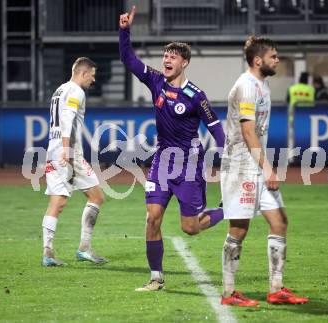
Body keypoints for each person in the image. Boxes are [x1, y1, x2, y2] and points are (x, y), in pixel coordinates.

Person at [119, 6, 226, 291]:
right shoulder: (156, 81)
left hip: (189, 166)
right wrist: (124, 31)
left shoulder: (196, 96)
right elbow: (128, 60)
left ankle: (226, 210)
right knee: (152, 218)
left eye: (172, 57)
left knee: (190, 228)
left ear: (184, 63)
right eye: (165, 56)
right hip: (162, 162)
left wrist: (224, 152)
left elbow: (214, 126)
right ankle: (156, 277)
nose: (166, 59)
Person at [220, 36, 309, 306]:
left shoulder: (262, 85)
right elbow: (248, 132)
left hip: (254, 166)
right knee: (239, 228)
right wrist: (268, 169)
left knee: (279, 222)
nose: (277, 59)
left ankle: (276, 289)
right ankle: (228, 293)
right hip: (240, 166)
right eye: (273, 55)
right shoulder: (247, 86)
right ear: (258, 60)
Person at [41, 57, 107, 267]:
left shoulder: (59, 90)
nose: (93, 80)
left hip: (53, 149)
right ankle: (84, 248)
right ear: (83, 73)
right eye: (92, 75)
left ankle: (48, 253)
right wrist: (68, 150)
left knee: (57, 202)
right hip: (68, 152)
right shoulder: (76, 91)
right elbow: (67, 118)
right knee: (96, 196)